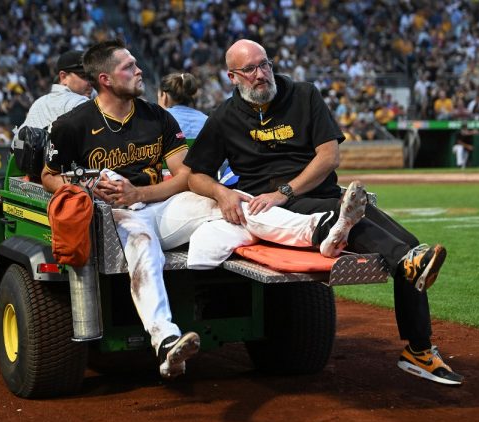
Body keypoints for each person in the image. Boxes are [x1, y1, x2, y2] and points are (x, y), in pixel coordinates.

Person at [41, 39, 365, 380]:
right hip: (116, 214)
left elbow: (185, 176)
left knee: (234, 201)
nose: (140, 70)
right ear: (105, 79)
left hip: (160, 203)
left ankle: (320, 229)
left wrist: (145, 191)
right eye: (129, 67)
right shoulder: (72, 124)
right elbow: (49, 176)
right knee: (141, 245)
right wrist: (83, 189)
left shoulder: (156, 117)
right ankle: (166, 340)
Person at [184, 39, 463, 386]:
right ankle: (407, 270)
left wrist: (285, 192)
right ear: (232, 76)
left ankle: (418, 350)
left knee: (412, 245)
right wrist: (222, 193)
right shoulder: (224, 117)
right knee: (395, 250)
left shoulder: (303, 94)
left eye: (265, 64)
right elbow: (194, 174)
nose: (261, 74)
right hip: (271, 205)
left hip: (312, 192)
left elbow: (329, 156)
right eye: (251, 69)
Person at [157, 71, 236, 186]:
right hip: (205, 183)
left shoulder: (158, 121)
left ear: (164, 96)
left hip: (167, 185)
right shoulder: (208, 120)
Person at [17, 50, 94, 131]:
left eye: (92, 78)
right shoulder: (81, 102)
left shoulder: (38, 103)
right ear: (63, 77)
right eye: (84, 77)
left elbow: (18, 142)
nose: (91, 83)